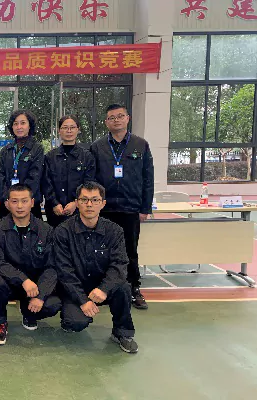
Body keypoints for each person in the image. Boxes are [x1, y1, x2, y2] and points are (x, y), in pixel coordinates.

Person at [54, 181, 138, 354]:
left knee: (123, 287)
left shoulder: (114, 231)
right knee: (76, 323)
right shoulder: (63, 231)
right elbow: (64, 271)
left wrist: (104, 289)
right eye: (84, 200)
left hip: (102, 287)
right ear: (77, 203)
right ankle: (70, 317)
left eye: (95, 200)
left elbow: (119, 264)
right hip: (75, 289)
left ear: (103, 203)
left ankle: (122, 333)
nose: (89, 204)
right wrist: (82, 300)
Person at [90, 104, 154, 310]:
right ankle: (103, 289)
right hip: (104, 209)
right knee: (101, 251)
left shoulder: (140, 145)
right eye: (112, 117)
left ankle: (134, 288)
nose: (116, 120)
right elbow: (91, 179)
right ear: (106, 122)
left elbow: (148, 178)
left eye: (120, 116)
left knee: (129, 251)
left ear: (127, 118)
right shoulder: (97, 147)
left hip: (130, 208)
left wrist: (145, 207)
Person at [0, 184, 61, 346]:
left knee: (53, 304)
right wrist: (23, 279)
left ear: (32, 203)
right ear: (7, 204)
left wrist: (40, 295)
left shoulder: (46, 230)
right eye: (14, 201)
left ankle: (30, 314)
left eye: (24, 201)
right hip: (10, 282)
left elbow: (52, 266)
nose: (20, 206)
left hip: (35, 286)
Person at [43, 115, 95, 229]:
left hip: (79, 209)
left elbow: (89, 183)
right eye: (65, 127)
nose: (69, 131)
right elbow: (46, 182)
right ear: (59, 130)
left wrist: (76, 203)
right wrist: (54, 203)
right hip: (55, 211)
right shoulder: (50, 156)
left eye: (72, 127)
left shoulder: (87, 156)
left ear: (78, 130)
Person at [0, 110, 44, 220]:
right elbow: (1, 177)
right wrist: (7, 199)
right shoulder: (6, 150)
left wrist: (20, 199)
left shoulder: (37, 149)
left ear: (29, 126)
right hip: (8, 204)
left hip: (29, 204)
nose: (19, 127)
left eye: (23, 123)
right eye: (15, 124)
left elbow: (35, 176)